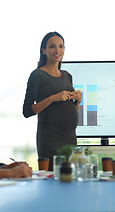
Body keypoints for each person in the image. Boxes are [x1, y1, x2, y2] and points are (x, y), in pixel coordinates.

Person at [23, 31, 82, 170]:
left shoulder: (67, 76)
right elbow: (27, 111)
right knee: (53, 181)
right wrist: (53, 98)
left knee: (70, 182)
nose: (57, 50)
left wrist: (77, 102)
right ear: (44, 50)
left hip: (71, 139)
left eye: (61, 46)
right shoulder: (37, 75)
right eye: (52, 46)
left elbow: (66, 109)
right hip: (50, 140)